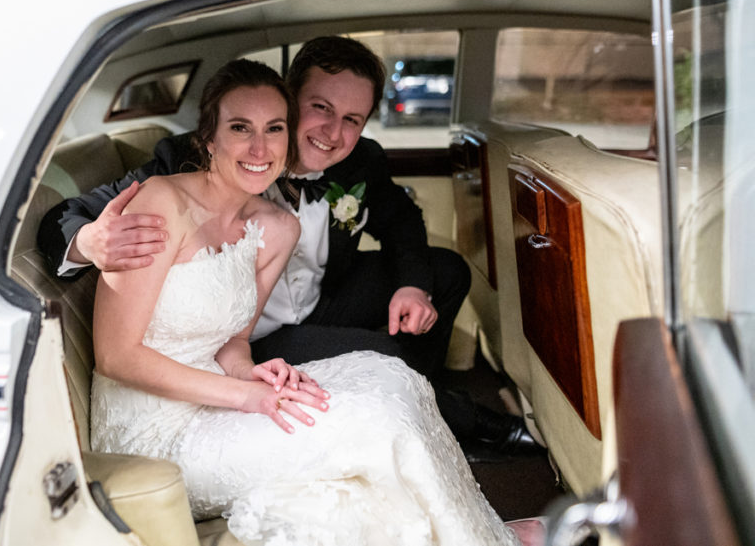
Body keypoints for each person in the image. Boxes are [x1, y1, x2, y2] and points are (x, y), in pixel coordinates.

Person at [87, 58, 527, 545]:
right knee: (372, 421)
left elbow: (233, 344)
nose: (259, 148)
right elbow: (115, 356)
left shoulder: (276, 228)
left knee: (391, 379)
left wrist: (253, 372)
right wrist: (246, 395)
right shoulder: (159, 202)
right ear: (208, 137)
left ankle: (470, 531)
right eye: (240, 128)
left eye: (273, 129)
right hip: (152, 432)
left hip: (218, 392)